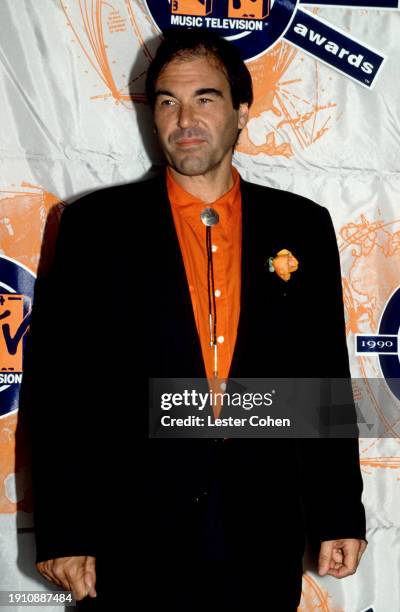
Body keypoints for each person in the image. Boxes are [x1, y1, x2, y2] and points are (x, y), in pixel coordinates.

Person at [22, 29, 367, 611]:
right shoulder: (94, 229)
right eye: (166, 101)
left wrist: (338, 512)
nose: (185, 118)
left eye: (205, 99)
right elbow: (62, 389)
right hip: (130, 531)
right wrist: (66, 530)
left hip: (262, 527)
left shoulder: (302, 225)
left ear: (242, 112)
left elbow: (321, 378)